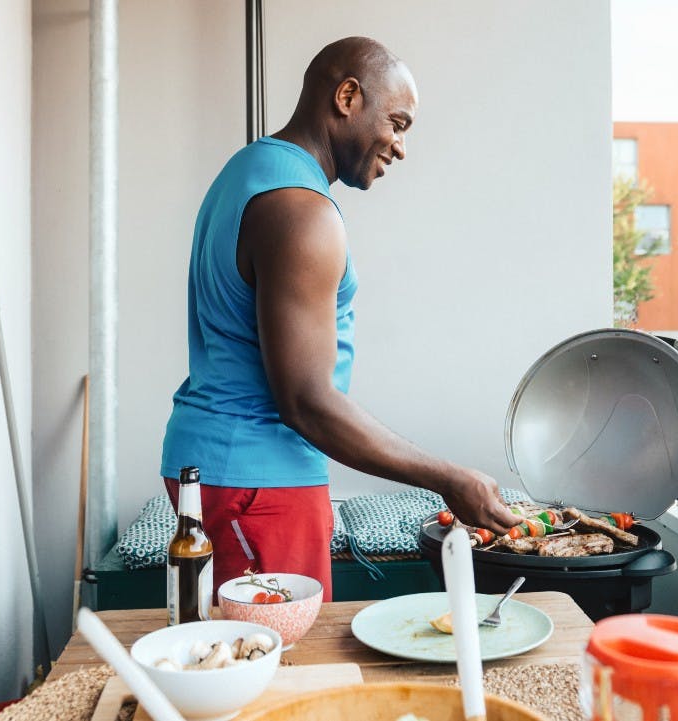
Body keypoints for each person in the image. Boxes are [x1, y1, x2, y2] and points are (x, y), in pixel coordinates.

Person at [160, 36, 519, 600]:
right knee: (284, 674)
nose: (400, 147)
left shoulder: (249, 170)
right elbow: (306, 401)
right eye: (397, 123)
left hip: (233, 470)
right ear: (348, 96)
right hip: (259, 482)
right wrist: (448, 479)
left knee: (248, 666)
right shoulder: (302, 213)